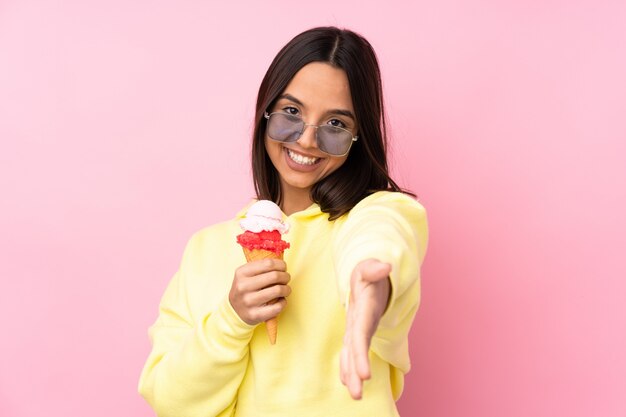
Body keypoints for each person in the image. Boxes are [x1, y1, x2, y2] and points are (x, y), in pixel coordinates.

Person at [138, 26, 428, 417]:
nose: (307, 140)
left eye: (336, 124)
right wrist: (232, 318)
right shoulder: (205, 249)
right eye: (292, 112)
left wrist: (372, 288)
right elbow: (171, 402)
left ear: (358, 137)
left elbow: (379, 240)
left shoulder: (375, 216)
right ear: (266, 111)